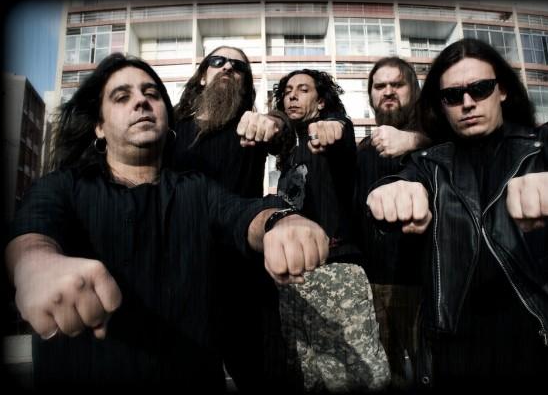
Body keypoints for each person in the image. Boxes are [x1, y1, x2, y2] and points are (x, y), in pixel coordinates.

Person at [4, 53, 329, 391]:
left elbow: (243, 212)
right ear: (99, 126)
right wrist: (37, 266)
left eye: (152, 94)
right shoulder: (63, 186)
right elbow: (32, 232)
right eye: (122, 96)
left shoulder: (197, 189)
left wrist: (281, 222)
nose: (141, 101)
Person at [367, 38, 548, 391]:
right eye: (452, 95)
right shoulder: (429, 164)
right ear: (441, 104)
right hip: (458, 348)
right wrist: (390, 194)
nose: (468, 102)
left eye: (480, 88)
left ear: (501, 90)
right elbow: (399, 185)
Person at [170, 46, 290, 392]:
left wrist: (274, 122)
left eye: (238, 66)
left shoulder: (250, 126)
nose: (227, 68)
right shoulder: (171, 129)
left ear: (246, 83)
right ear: (202, 76)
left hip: (243, 278)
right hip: (184, 277)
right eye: (218, 61)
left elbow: (283, 135)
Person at [271, 69, 390, 393]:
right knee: (306, 375)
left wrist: (333, 127)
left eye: (303, 90)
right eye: (288, 90)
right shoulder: (290, 150)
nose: (292, 95)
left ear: (321, 101)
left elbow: (340, 133)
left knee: (354, 379)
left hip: (335, 270)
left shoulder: (333, 135)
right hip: (294, 278)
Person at [353, 57, 430, 390]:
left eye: (397, 84)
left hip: (427, 282)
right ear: (371, 95)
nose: (388, 91)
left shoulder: (435, 139)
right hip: (375, 284)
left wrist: (415, 141)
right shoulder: (362, 151)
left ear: (413, 90)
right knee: (386, 377)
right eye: (379, 85)